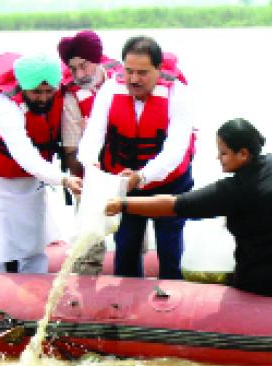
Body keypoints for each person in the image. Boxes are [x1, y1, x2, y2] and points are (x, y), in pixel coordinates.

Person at [105, 118, 272, 296]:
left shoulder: (238, 190)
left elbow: (174, 205)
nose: (218, 158)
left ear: (243, 153)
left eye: (224, 153)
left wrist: (123, 204)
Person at [78, 35, 195, 279]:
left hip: (168, 182)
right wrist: (90, 164)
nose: (133, 79)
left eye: (142, 73)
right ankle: (127, 304)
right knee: (126, 246)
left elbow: (175, 150)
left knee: (169, 247)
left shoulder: (178, 94)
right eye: (129, 71)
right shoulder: (110, 89)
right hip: (124, 181)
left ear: (159, 70)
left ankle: (170, 293)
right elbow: (93, 134)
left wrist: (142, 176)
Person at [0, 53, 82, 273]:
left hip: (30, 178)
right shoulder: (4, 106)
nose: (43, 98)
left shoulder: (61, 97)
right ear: (22, 86)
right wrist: (63, 179)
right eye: (36, 92)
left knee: (34, 244)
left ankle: (36, 293)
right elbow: (25, 155)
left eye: (49, 92)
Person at [57, 29, 122, 275]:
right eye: (73, 69)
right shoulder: (72, 96)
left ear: (97, 60)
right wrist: (86, 189)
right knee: (89, 247)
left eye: (84, 67)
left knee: (132, 240)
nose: (80, 75)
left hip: (126, 171)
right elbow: (71, 148)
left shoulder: (123, 79)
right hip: (90, 172)